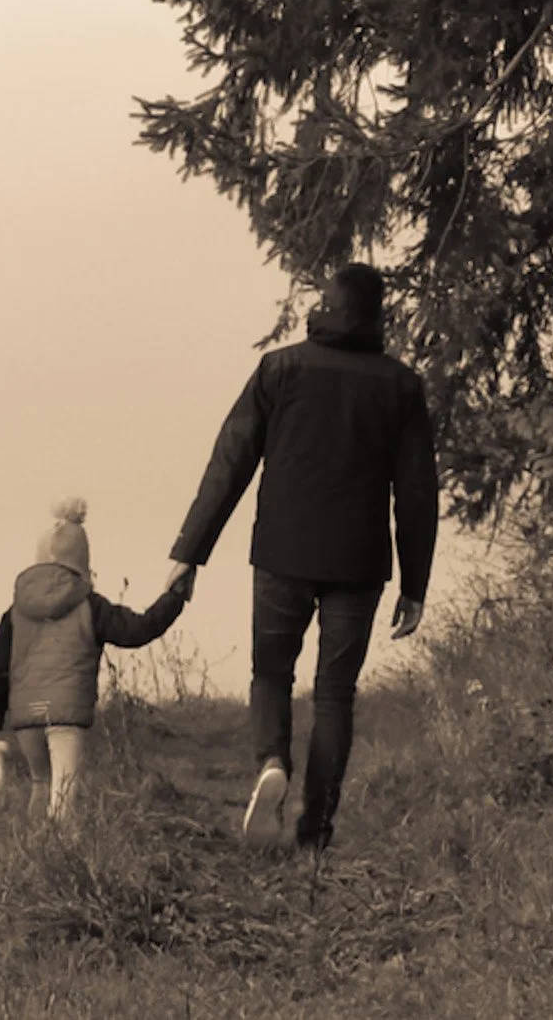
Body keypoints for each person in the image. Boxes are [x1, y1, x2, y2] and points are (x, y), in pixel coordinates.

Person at [167, 263, 438, 853]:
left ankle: (271, 764)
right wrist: (415, 584)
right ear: (375, 316)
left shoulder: (280, 369)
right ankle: (314, 833)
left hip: (282, 553)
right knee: (335, 693)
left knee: (271, 671)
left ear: (327, 306)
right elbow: (417, 493)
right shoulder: (400, 385)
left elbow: (230, 461)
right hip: (360, 563)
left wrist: (191, 552)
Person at [0, 499, 192, 820]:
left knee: (41, 782)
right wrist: (175, 597)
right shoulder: (90, 605)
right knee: (64, 793)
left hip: (26, 717)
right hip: (66, 716)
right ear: (82, 561)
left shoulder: (15, 611)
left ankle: (34, 854)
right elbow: (139, 630)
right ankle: (60, 859)